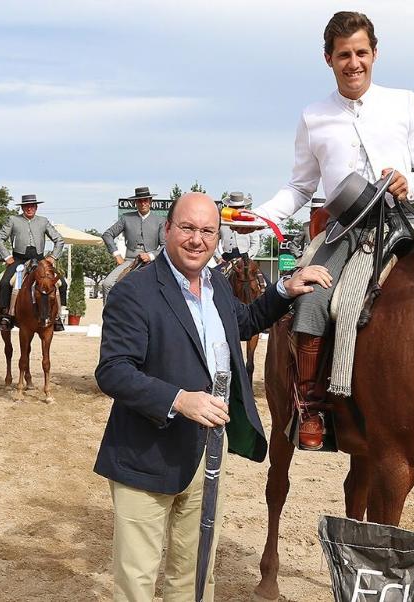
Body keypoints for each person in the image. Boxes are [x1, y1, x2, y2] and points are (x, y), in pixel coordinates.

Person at [94, 192, 331, 601]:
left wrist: (285, 290)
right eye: (187, 228)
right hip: (146, 456)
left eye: (207, 231)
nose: (196, 239)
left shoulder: (216, 282)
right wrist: (178, 400)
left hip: (207, 453)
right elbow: (113, 371)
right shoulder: (134, 292)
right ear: (167, 230)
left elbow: (243, 321)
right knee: (137, 582)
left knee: (195, 574)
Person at [246, 11, 414, 450]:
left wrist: (409, 181)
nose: (353, 63)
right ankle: (312, 404)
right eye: (343, 55)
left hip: (403, 221)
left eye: (360, 53)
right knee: (313, 295)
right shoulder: (314, 116)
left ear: (375, 54)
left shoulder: (405, 103)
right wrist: (263, 217)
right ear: (328, 59)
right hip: (344, 229)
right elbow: (300, 185)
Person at [0, 194, 66, 331]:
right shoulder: (13, 220)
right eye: (26, 206)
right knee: (5, 282)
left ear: (36, 207)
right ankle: (5, 316)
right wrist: (7, 256)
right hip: (19, 260)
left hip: (40, 260)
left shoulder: (43, 221)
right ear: (22, 207)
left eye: (32, 206)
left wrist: (53, 257)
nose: (29, 208)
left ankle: (56, 317)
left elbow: (59, 240)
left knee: (61, 283)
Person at [99, 186, 166, 297]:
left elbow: (165, 245)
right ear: (135, 202)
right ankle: (109, 314)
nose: (143, 203)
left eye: (145, 200)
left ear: (150, 201)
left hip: (153, 262)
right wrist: (116, 254)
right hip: (130, 261)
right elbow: (107, 235)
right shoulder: (126, 218)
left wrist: (151, 256)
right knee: (107, 284)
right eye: (140, 201)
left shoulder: (160, 220)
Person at [214, 191, 259, 266]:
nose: (236, 210)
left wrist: (248, 256)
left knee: (260, 276)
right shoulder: (222, 222)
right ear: (228, 207)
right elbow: (213, 242)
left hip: (245, 258)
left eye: (239, 207)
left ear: (244, 208)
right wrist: (218, 258)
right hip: (226, 259)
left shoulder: (250, 222)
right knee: (214, 276)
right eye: (233, 208)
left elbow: (255, 243)